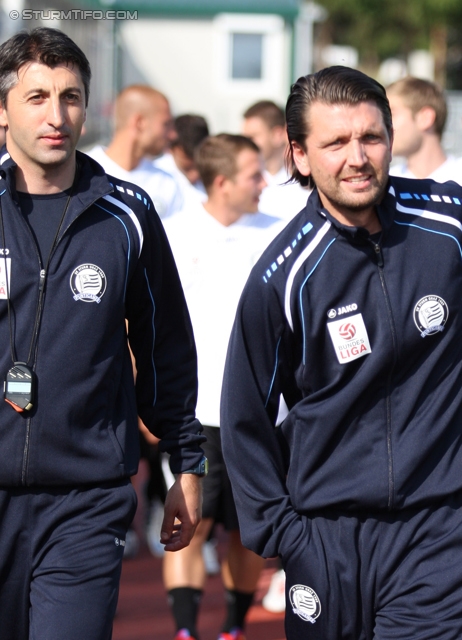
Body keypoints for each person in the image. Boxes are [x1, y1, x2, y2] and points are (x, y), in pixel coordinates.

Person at [221, 65, 462, 640]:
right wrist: (283, 532)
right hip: (325, 537)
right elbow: (244, 413)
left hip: (438, 531)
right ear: (300, 155)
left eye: (371, 137)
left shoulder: (449, 225)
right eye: (336, 143)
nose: (358, 157)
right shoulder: (281, 278)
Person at [0, 27, 205, 640]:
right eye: (37, 97)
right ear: (3, 109)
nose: (56, 114)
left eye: (70, 96)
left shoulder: (127, 213)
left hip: (85, 503)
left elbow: (165, 346)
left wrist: (185, 466)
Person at [162, 134, 285, 640]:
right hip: (194, 412)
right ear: (221, 182)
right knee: (190, 524)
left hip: (261, 416)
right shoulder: (172, 233)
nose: (265, 182)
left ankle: (234, 626)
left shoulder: (279, 234)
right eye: (254, 174)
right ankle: (186, 631)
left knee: (247, 530)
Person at [87, 84, 183, 218]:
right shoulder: (85, 172)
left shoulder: (167, 183)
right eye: (165, 124)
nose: (173, 135)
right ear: (139, 123)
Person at [242, 100, 309, 221]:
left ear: (278, 135)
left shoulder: (305, 185)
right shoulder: (242, 185)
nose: (246, 144)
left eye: (252, 137)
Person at [387, 76, 462, 182]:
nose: (384, 125)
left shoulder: (459, 176)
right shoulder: (386, 183)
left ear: (425, 118)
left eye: (391, 114)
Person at [154, 113, 209, 206]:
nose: (195, 173)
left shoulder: (213, 174)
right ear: (172, 149)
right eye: (188, 158)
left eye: (200, 159)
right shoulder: (156, 178)